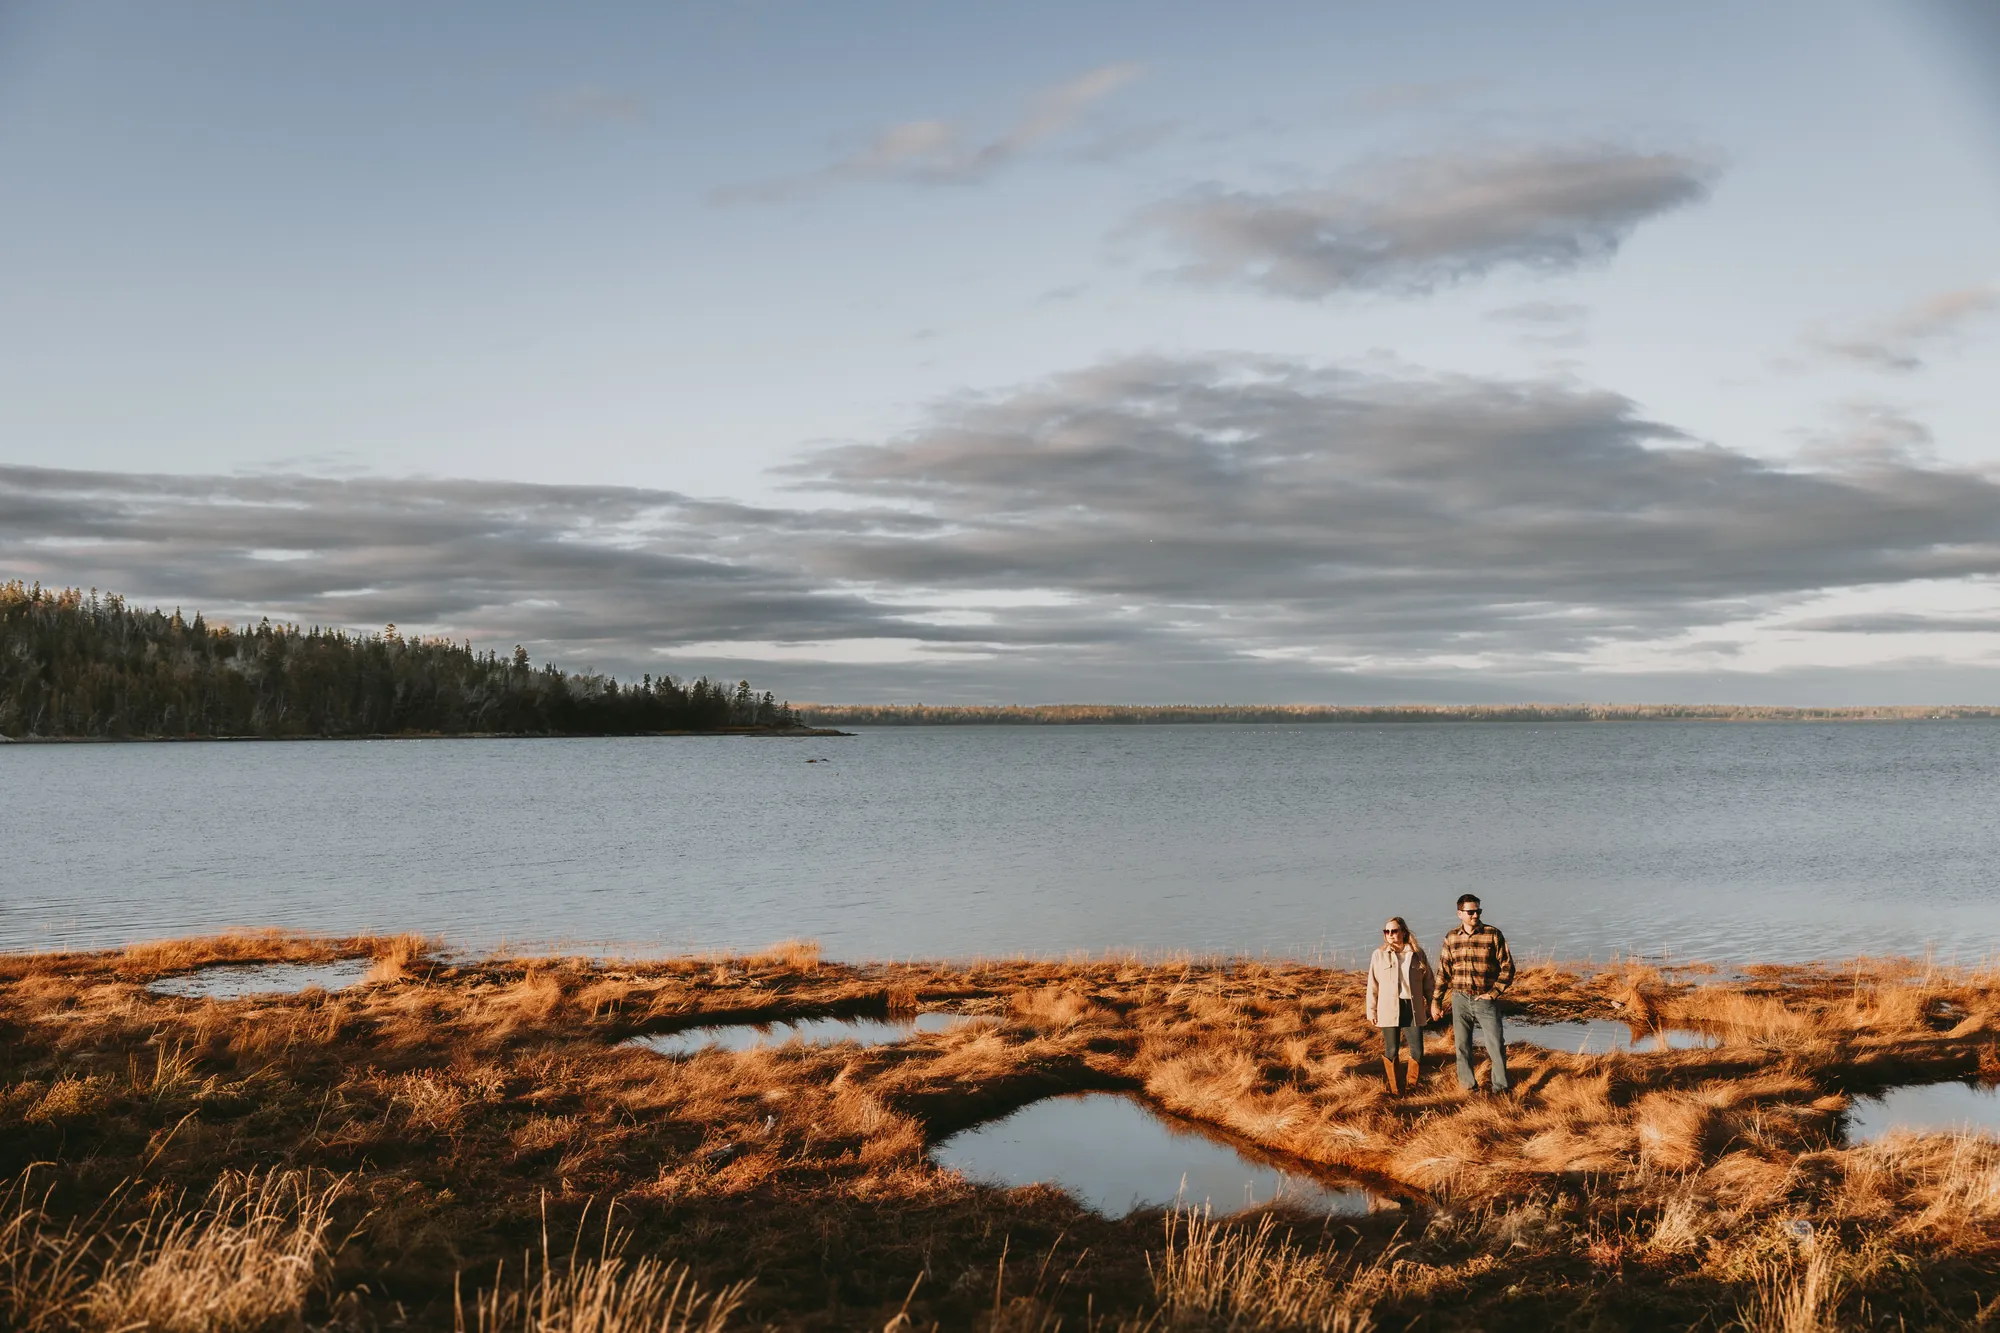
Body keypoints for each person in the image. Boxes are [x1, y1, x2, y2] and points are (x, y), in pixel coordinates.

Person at [1436, 893, 1515, 1094]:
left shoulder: (1492, 934)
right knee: (1462, 1046)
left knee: (1496, 1045)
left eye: (1478, 910)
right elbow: (1443, 972)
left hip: (1485, 999)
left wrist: (1494, 993)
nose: (1475, 915)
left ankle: (1501, 1090)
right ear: (1460, 913)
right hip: (1460, 999)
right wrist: (1436, 1000)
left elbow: (1508, 967)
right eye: (1471, 912)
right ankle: (1469, 1089)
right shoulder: (1451, 937)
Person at [1365, 916, 1434, 1095]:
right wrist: (1371, 1010)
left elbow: (1429, 982)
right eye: (1386, 931)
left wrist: (1433, 1003)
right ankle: (1395, 1091)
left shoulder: (1417, 954)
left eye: (1394, 931)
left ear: (1403, 932)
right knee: (1392, 1049)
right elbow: (1373, 984)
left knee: (1417, 1050)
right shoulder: (1378, 955)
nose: (1390, 934)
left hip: (1412, 1007)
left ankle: (1412, 1088)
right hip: (1388, 1008)